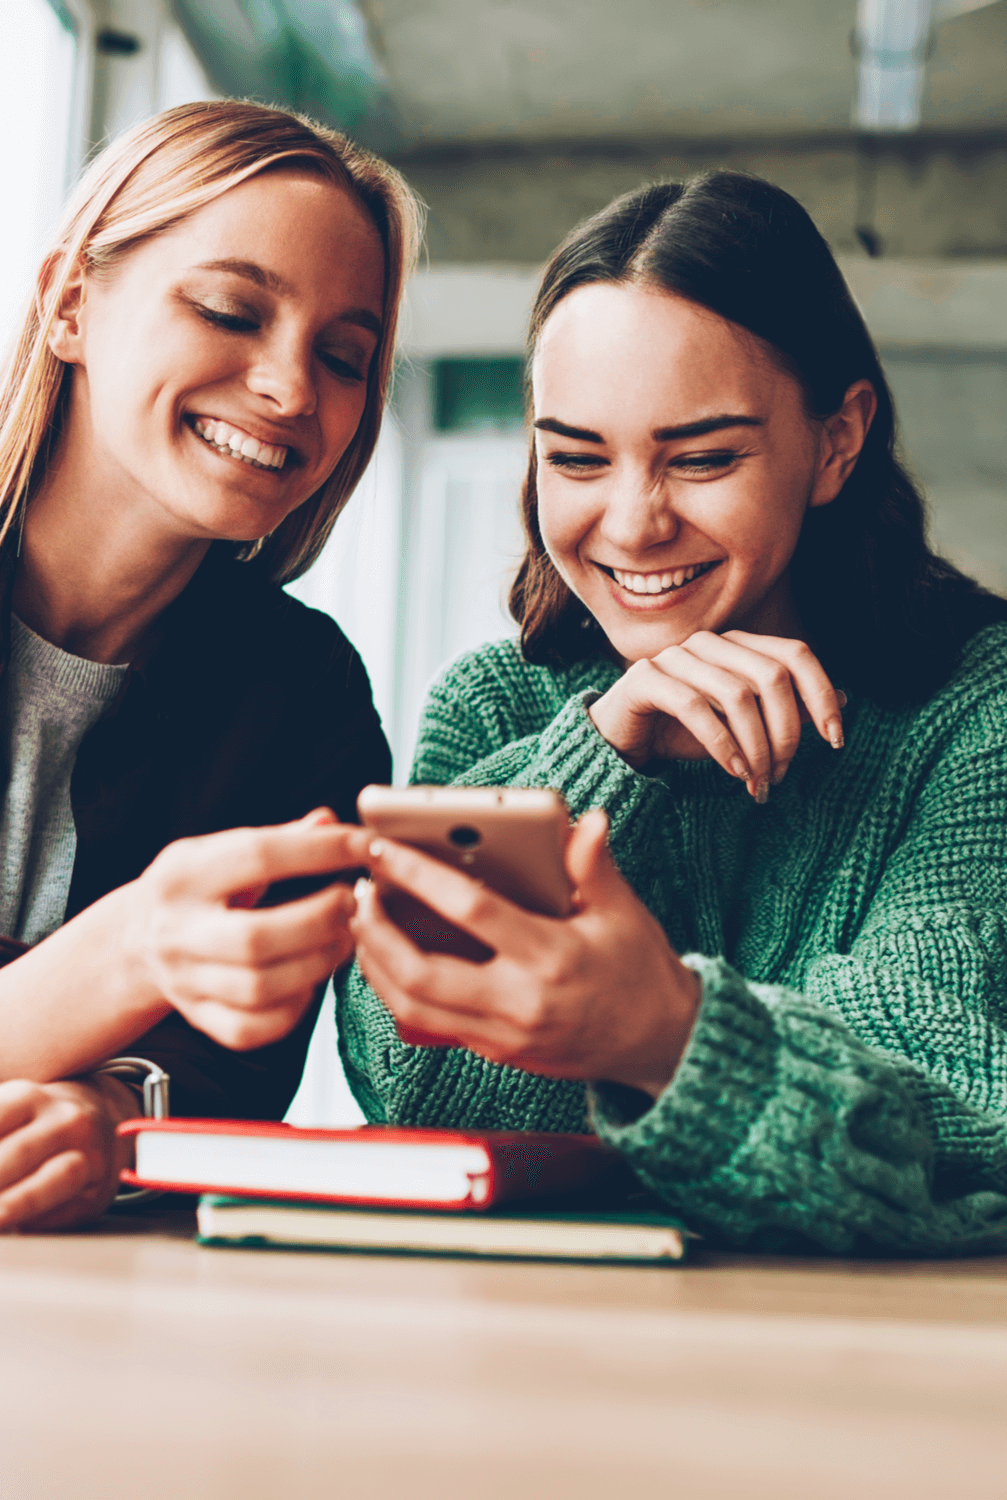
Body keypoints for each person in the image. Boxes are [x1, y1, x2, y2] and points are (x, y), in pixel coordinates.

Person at [0, 102, 420, 1232]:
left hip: (77, 1305)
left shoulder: (304, 701)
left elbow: (229, 1080)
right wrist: (126, 953)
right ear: (69, 303)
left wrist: (117, 1121)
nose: (292, 391)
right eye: (228, 309)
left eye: (343, 357)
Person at [339, 170, 1007, 1256]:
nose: (634, 524)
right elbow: (416, 1100)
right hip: (532, 1352)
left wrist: (659, 1032)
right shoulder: (492, 708)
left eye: (702, 459)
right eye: (574, 457)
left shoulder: (975, 713)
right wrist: (599, 754)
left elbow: (945, 1126)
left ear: (836, 440)